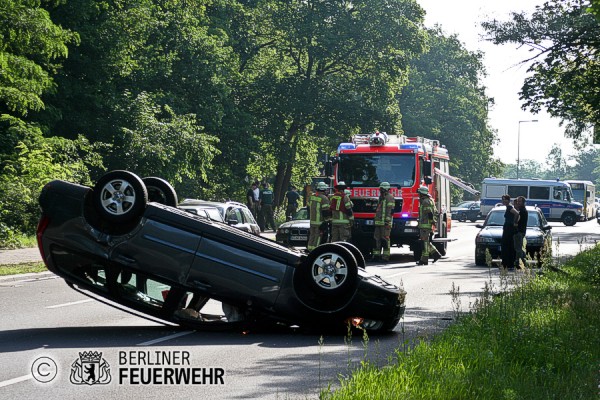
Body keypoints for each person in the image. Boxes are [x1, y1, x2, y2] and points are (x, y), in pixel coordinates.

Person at [416, 186, 441, 265]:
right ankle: (435, 254)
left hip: (425, 225)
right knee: (425, 242)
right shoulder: (430, 200)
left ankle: (425, 259)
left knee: (425, 243)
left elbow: (429, 213)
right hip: (426, 225)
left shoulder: (425, 202)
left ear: (422, 194)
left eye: (419, 193)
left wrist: (431, 221)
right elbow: (436, 212)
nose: (418, 195)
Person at [372, 182, 395, 261]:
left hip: (385, 223)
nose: (380, 190)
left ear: (385, 189)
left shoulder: (390, 197)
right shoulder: (381, 198)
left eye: (381, 189)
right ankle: (376, 256)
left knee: (385, 239)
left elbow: (390, 210)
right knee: (376, 239)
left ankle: (385, 257)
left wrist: (387, 221)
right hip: (378, 222)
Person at [307, 182, 331, 251]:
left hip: (312, 222)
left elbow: (308, 208)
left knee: (312, 236)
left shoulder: (312, 197)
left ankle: (309, 250)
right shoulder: (324, 198)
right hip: (320, 222)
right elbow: (325, 212)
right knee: (318, 237)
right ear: (323, 189)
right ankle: (315, 251)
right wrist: (327, 221)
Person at [501, 194, 520, 269]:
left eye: (505, 199)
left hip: (509, 229)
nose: (504, 201)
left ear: (508, 200)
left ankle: (509, 264)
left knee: (508, 246)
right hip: (507, 228)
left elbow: (517, 214)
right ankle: (506, 263)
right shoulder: (507, 207)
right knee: (506, 246)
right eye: (503, 199)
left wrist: (515, 222)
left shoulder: (509, 207)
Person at [513, 195, 528, 269]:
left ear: (523, 202)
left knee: (518, 248)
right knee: (521, 248)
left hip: (519, 232)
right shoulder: (522, 210)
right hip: (521, 231)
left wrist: (515, 224)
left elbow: (517, 222)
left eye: (519, 201)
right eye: (517, 201)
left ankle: (519, 262)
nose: (518, 203)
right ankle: (523, 262)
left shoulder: (522, 211)